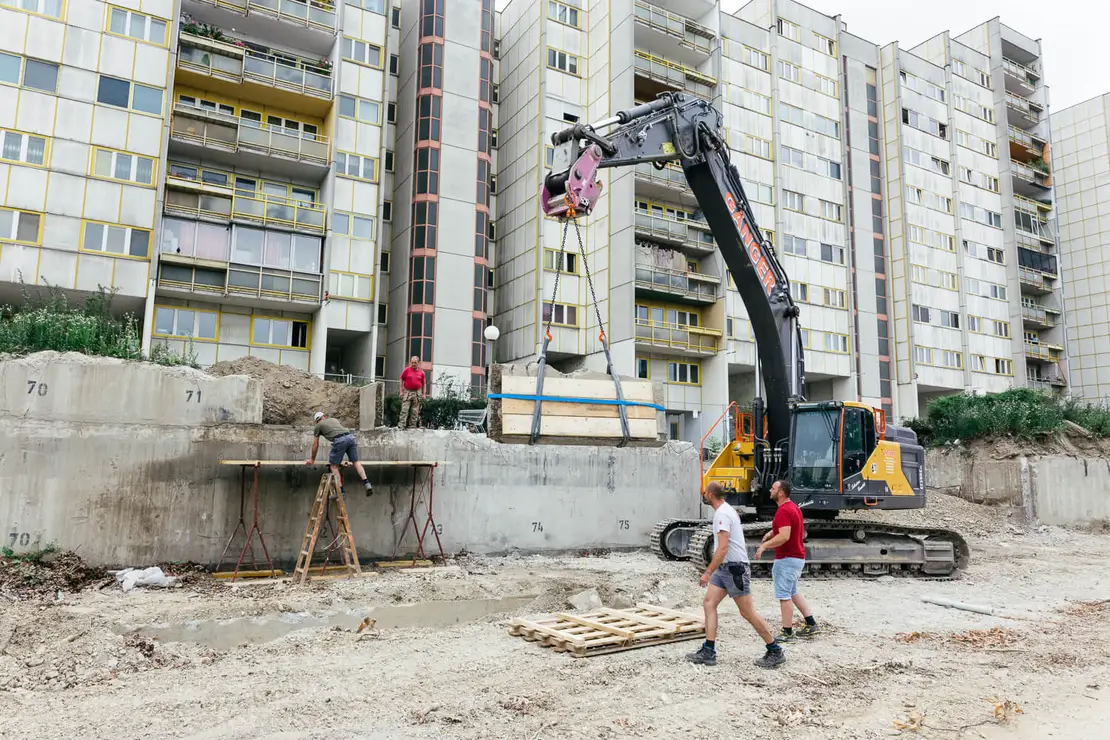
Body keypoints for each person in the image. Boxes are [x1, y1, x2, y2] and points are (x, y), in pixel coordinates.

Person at [687, 481, 785, 669]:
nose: (704, 495)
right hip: (725, 568)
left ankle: (774, 649)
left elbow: (723, 547)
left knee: (747, 612)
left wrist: (707, 572)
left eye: (705, 493)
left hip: (734, 568)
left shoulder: (722, 514)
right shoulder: (725, 510)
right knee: (709, 603)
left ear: (710, 494)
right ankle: (709, 650)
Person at [755, 480, 819, 642]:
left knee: (784, 596)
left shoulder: (783, 511)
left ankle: (787, 632)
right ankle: (811, 624)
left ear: (781, 493)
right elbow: (788, 528)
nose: (770, 490)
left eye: (773, 488)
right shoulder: (793, 507)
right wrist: (772, 531)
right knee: (792, 592)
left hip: (787, 559)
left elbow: (784, 536)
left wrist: (764, 546)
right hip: (796, 557)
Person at [305, 411, 373, 495]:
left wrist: (312, 459)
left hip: (340, 440)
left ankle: (341, 491)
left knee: (333, 466)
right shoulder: (333, 420)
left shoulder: (318, 426)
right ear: (324, 417)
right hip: (350, 437)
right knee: (356, 462)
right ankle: (367, 483)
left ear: (316, 421)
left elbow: (315, 444)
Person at [398, 356, 426, 430]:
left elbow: (424, 383)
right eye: (412, 362)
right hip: (407, 391)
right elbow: (401, 379)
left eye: (415, 362)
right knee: (405, 409)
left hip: (417, 392)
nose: (413, 364)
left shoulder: (422, 372)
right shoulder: (406, 370)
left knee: (415, 410)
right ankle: (401, 425)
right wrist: (401, 391)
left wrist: (424, 394)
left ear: (418, 363)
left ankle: (412, 426)